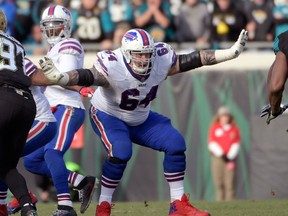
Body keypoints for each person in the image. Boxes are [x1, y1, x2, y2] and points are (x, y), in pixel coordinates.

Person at [39, 28, 248, 216]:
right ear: (127, 54)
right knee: (121, 151)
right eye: (138, 54)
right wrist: (62, 78)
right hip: (107, 114)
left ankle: (178, 205)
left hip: (140, 117)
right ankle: (104, 206)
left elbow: (193, 59)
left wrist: (230, 53)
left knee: (175, 143)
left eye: (147, 54)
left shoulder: (162, 59)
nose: (143, 59)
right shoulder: (113, 64)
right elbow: (86, 75)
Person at [0, 58, 96, 215]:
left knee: (5, 160)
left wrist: (78, 88)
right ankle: (79, 181)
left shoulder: (17, 60)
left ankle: (25, 200)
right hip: (25, 119)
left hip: (40, 119)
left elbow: (49, 78)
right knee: (30, 162)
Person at [24, 5, 96, 216]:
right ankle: (80, 181)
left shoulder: (69, 45)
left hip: (67, 107)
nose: (53, 30)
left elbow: (64, 77)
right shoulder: (53, 50)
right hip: (53, 111)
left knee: (52, 152)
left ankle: (65, 206)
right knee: (32, 160)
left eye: (57, 25)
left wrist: (36, 76)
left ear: (66, 26)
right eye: (48, 26)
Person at [0, 9, 37, 216]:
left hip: (3, 98)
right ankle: (27, 207)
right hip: (26, 104)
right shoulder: (17, 44)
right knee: (6, 166)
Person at [208, 106, 241, 201]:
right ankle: (220, 203)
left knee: (229, 183)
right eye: (223, 115)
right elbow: (212, 143)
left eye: (227, 115)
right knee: (219, 183)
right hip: (217, 159)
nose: (225, 118)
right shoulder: (214, 128)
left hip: (230, 160)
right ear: (219, 116)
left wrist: (230, 156)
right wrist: (221, 154)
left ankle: (230, 203)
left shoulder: (234, 129)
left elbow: (236, 143)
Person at [260, 29, 288, 123]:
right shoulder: (285, 40)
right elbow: (275, 87)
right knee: (275, 87)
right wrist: (275, 110)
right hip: (284, 42)